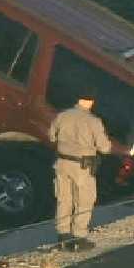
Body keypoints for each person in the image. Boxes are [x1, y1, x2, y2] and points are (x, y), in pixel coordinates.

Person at [48, 84, 112, 251]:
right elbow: (105, 148)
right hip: (82, 165)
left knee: (64, 199)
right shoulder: (93, 121)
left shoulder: (62, 116)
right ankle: (79, 238)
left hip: (62, 163)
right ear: (91, 102)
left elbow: (51, 136)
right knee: (84, 200)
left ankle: (63, 235)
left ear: (77, 99)